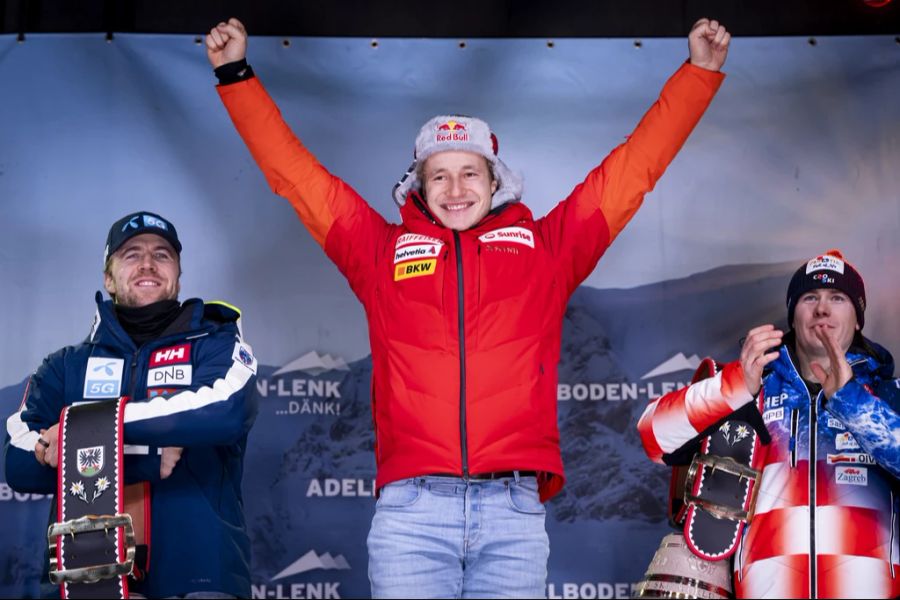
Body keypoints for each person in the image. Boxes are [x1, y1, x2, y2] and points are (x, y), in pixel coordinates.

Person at [206, 16, 730, 598]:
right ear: (419, 188)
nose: (456, 190)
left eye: (469, 173)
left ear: (495, 180)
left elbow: (632, 171)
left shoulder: (546, 251)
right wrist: (236, 75)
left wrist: (698, 74)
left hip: (512, 512)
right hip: (411, 513)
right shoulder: (379, 253)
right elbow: (298, 178)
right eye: (440, 177)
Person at [3, 211, 259, 599]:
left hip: (199, 580)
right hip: (90, 582)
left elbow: (227, 411)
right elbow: (18, 462)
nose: (147, 264)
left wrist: (90, 431)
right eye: (131, 254)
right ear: (108, 278)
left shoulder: (216, 344)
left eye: (162, 254)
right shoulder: (66, 366)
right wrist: (144, 458)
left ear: (177, 275)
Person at [637, 249, 900, 599]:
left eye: (837, 297)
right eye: (810, 297)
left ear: (858, 318)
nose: (822, 308)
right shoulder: (750, 389)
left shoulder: (889, 394)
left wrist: (852, 401)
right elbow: (653, 434)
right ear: (793, 316)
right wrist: (734, 386)